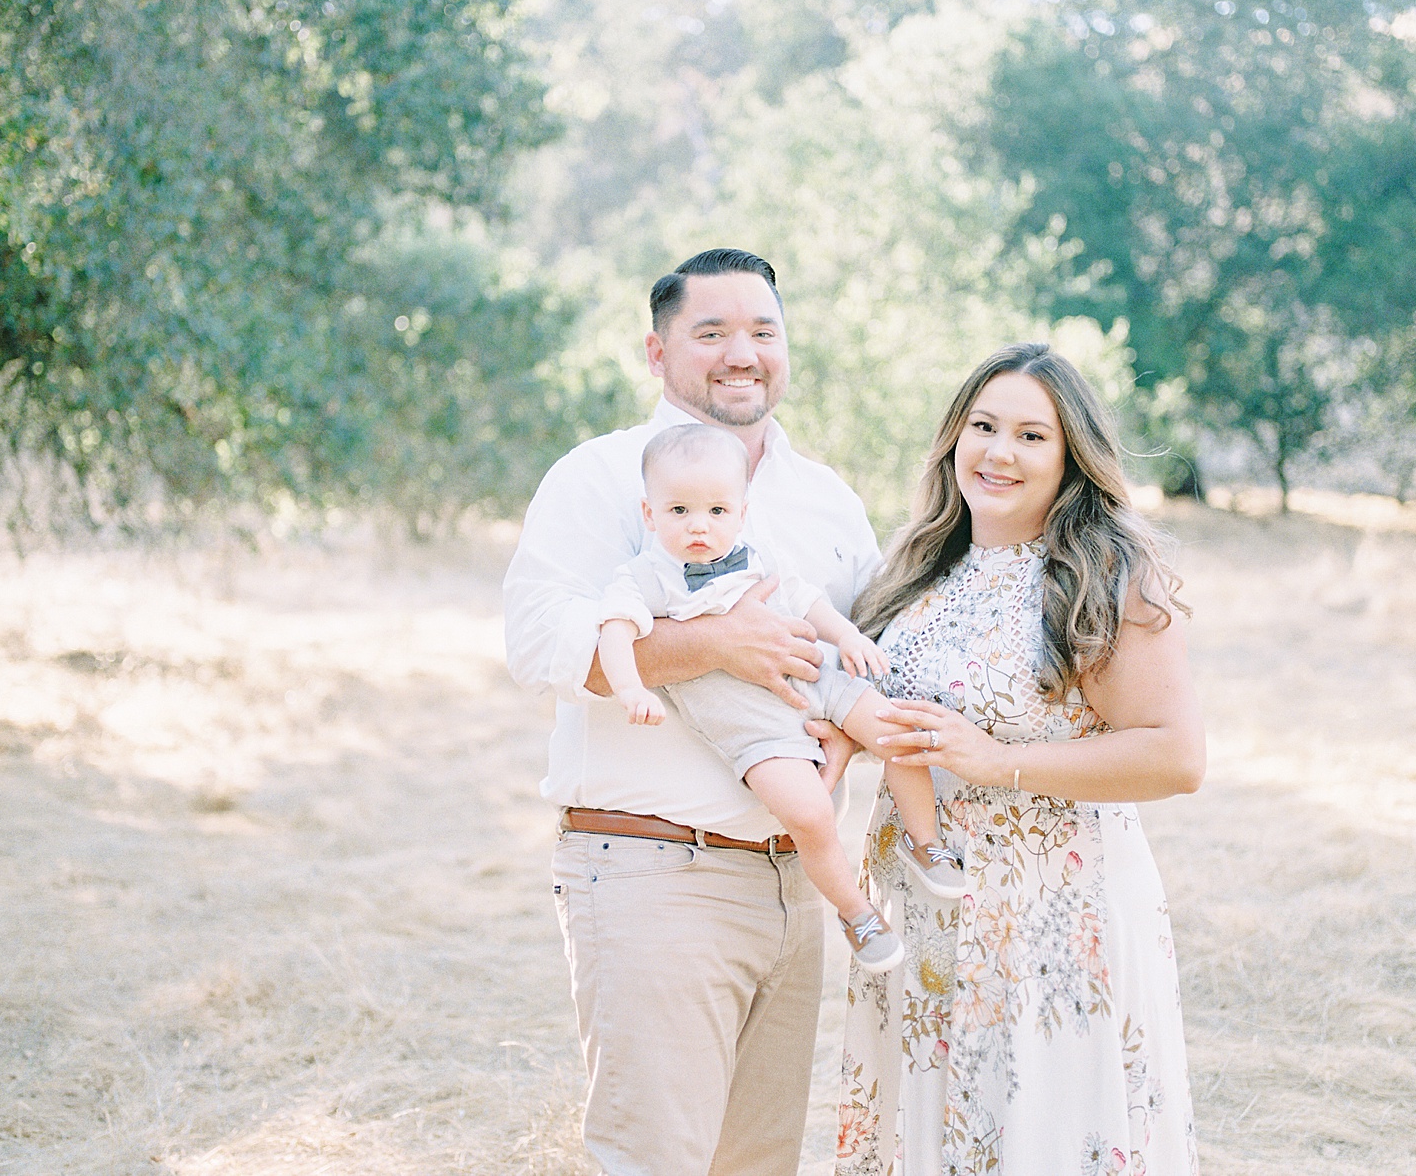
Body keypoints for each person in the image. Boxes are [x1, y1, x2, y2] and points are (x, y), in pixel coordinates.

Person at [503, 248, 880, 1176]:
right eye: (710, 332)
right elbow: (539, 642)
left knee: (756, 1166)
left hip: (796, 882)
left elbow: (860, 651)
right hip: (654, 868)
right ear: (657, 350)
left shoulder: (827, 498)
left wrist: (842, 735)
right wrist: (713, 642)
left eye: (762, 331)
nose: (741, 352)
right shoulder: (598, 478)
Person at [834, 342, 1206, 1176]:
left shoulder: (1106, 569)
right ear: (953, 438)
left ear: (1071, 454)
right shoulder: (920, 565)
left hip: (1051, 915)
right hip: (924, 907)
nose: (1000, 452)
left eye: (1032, 435)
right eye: (984, 425)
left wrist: (998, 759)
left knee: (1038, 1130)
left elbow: (1176, 756)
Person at [596, 422, 967, 973]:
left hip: (817, 676)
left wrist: (847, 636)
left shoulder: (756, 554)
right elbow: (614, 629)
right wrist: (630, 688)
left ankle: (925, 839)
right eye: (679, 512)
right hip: (752, 726)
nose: (699, 527)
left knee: (897, 731)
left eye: (716, 512)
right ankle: (856, 912)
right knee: (811, 814)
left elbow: (806, 599)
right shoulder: (650, 577)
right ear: (650, 515)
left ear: (741, 512)